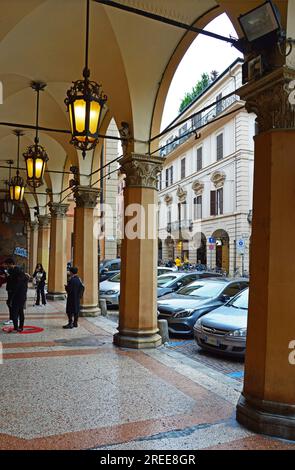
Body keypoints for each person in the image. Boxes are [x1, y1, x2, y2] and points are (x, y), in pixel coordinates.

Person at [9, 267, 28, 333]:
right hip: (23, 297)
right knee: (21, 312)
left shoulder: (16, 279)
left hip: (16, 298)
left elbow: (14, 290)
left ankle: (16, 328)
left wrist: (11, 299)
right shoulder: (25, 278)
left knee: (15, 313)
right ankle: (21, 327)